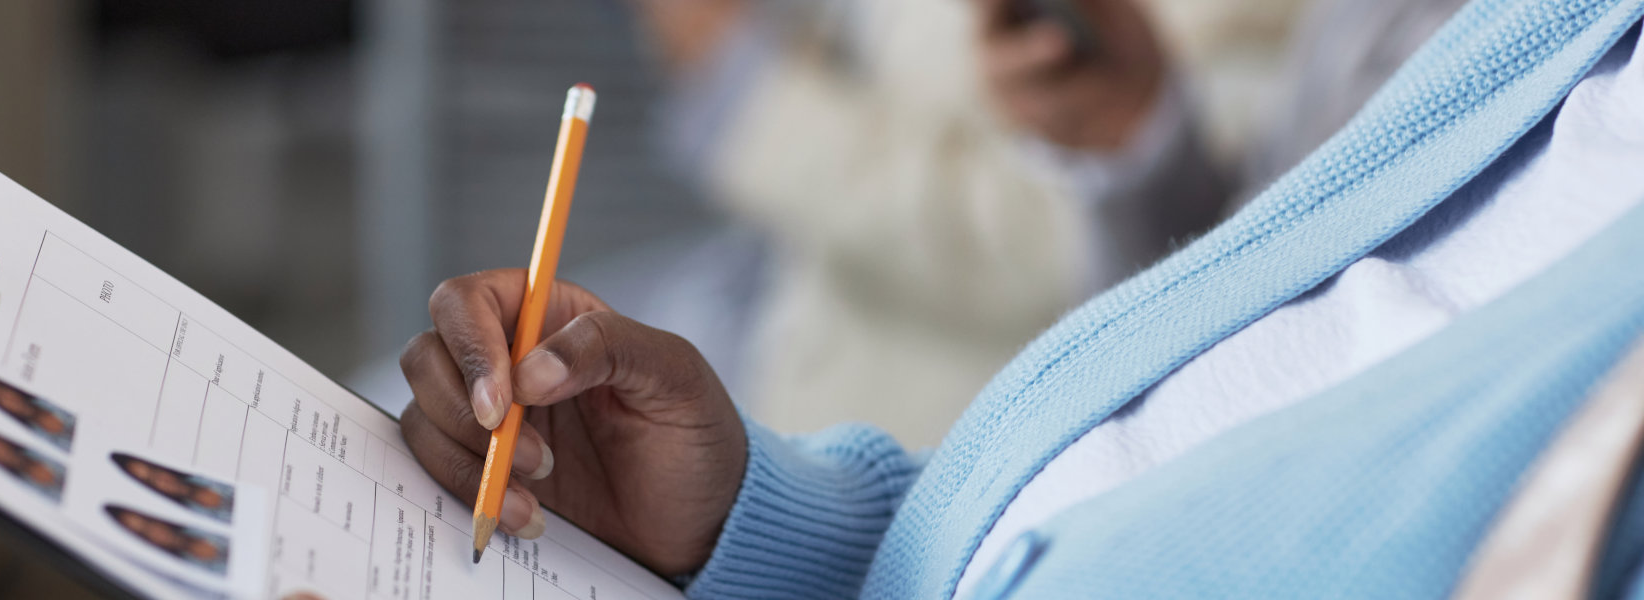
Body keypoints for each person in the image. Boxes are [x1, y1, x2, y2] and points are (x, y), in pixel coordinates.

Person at [397, 0, 1644, 596]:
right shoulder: (1562, 38)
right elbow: (1232, 360)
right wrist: (763, 527)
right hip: (826, 441)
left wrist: (743, 93)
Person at [113, 453, 236, 523]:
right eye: (151, 480)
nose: (161, 480)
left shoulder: (209, 474)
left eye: (155, 472)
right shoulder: (195, 517)